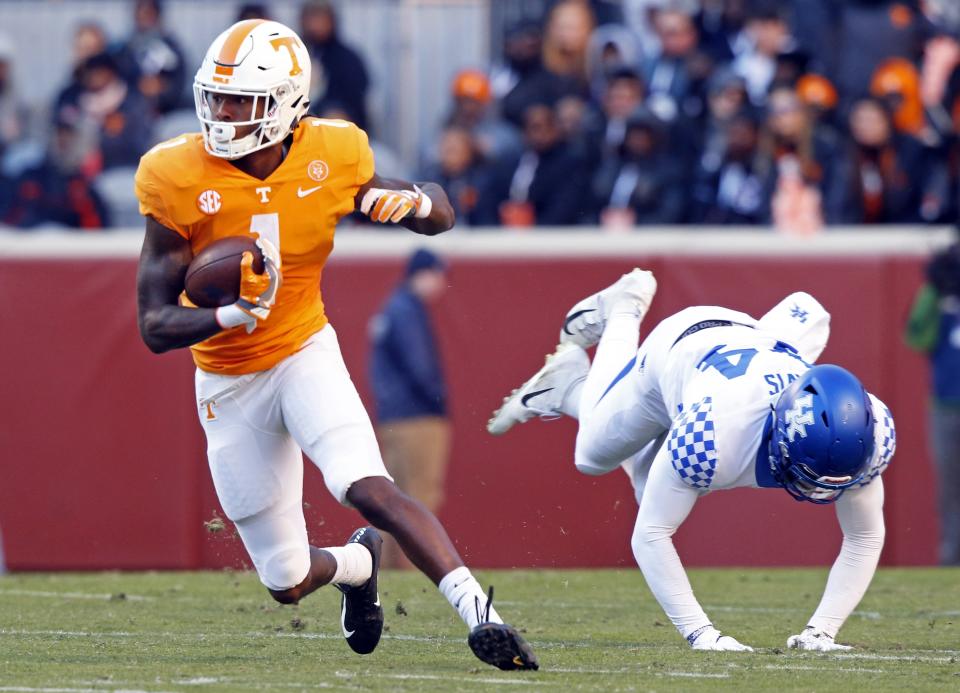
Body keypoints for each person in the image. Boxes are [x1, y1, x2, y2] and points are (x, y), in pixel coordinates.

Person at [133, 19, 537, 671]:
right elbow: (154, 324)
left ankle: (480, 615)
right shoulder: (175, 172)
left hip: (302, 351)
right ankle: (356, 564)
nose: (224, 112)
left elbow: (441, 210)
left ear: (289, 104)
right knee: (286, 579)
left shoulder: (337, 151)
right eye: (217, 96)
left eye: (242, 100)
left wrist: (411, 207)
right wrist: (231, 313)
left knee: (367, 485)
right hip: (228, 381)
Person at [487, 268, 895, 651]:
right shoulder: (716, 435)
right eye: (810, 474)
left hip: (756, 344)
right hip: (680, 350)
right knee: (591, 457)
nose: (818, 488)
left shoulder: (867, 435)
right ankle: (622, 312)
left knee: (650, 483)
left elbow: (865, 536)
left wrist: (821, 631)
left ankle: (571, 386)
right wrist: (703, 635)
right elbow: (649, 535)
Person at [368, 249, 451, 570]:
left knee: (392, 500)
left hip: (393, 418)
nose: (441, 283)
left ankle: (381, 572)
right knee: (419, 496)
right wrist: (438, 401)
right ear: (424, 273)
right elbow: (421, 368)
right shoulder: (407, 310)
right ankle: (413, 570)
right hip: (417, 418)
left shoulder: (392, 308)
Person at [905, 241, 960, 566]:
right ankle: (952, 557)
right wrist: (934, 291)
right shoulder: (939, 297)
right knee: (949, 488)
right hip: (944, 408)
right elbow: (916, 337)